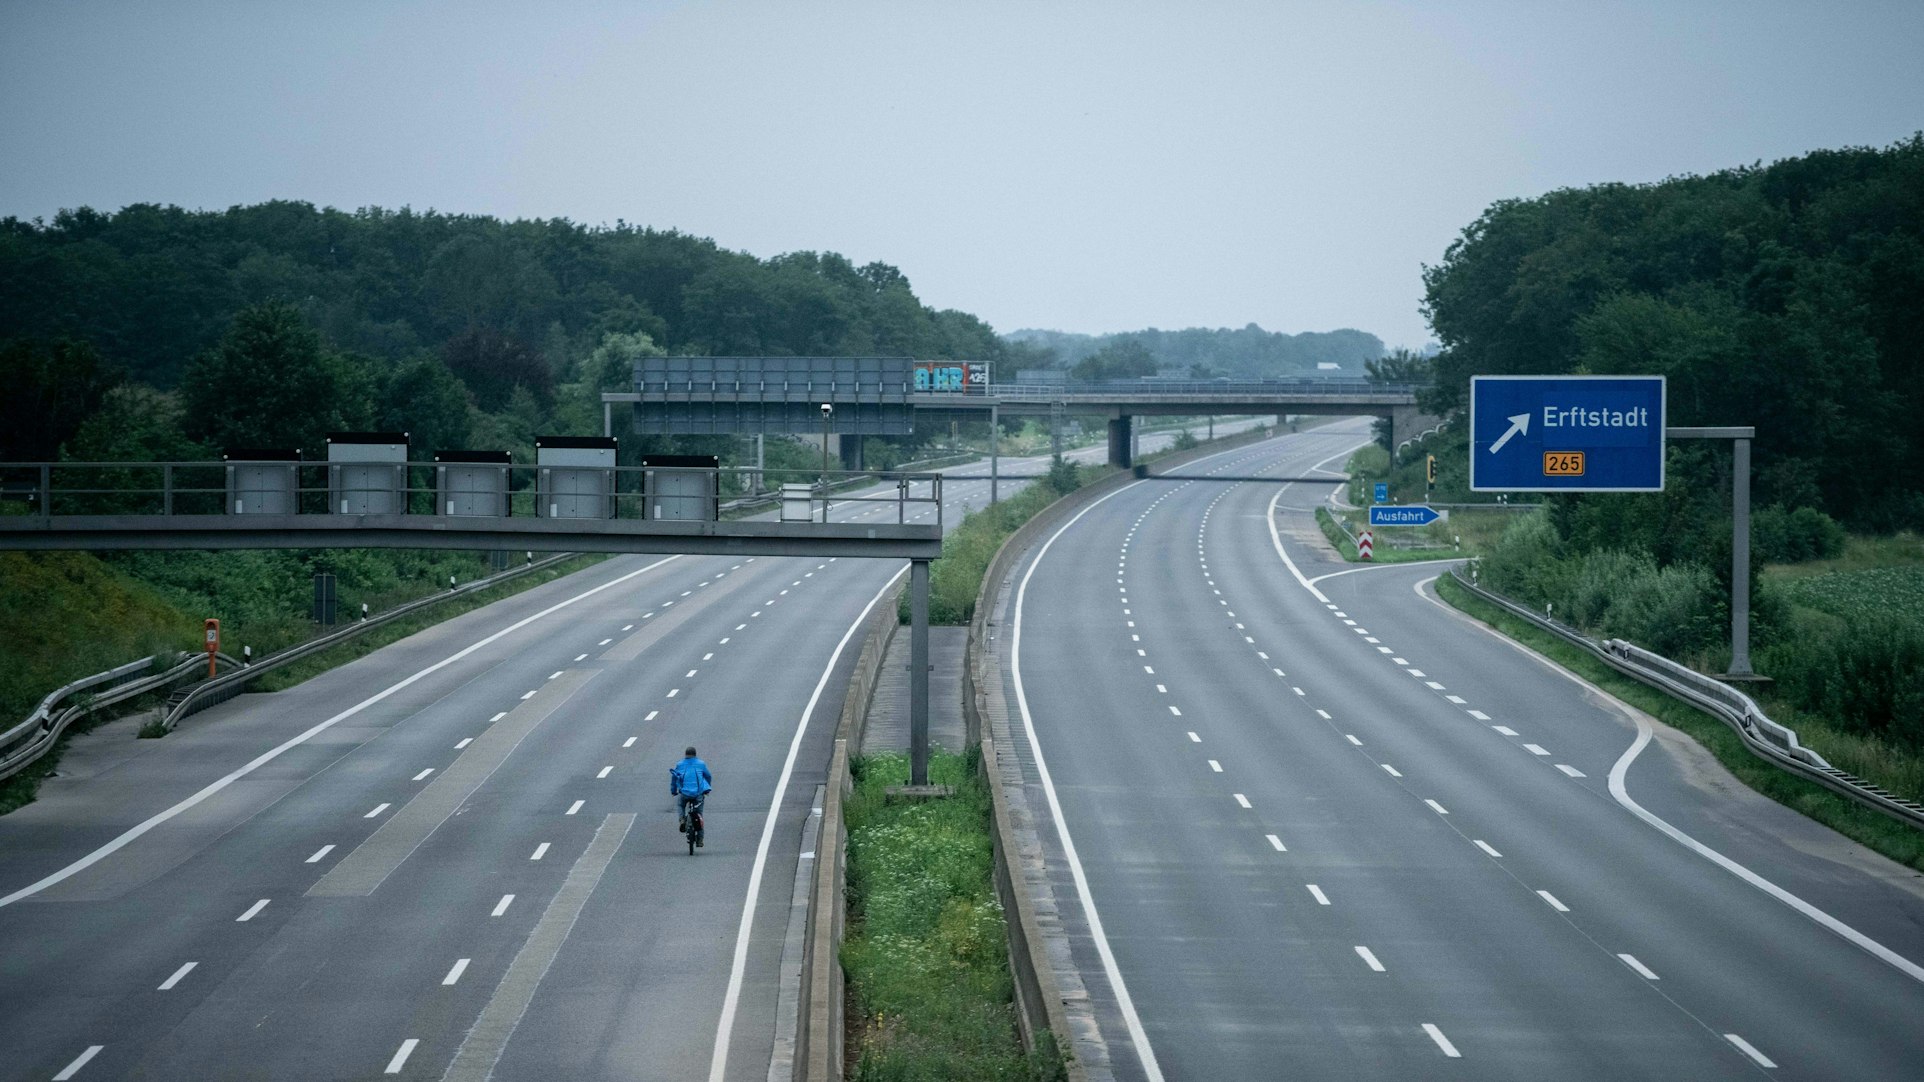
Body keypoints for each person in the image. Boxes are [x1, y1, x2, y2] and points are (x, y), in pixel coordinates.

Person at [669, 746, 713, 841]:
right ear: (695, 755)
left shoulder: (680, 764)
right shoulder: (701, 764)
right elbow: (708, 776)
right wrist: (707, 788)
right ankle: (700, 839)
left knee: (680, 805)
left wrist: (673, 791)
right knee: (699, 814)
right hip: (698, 794)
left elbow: (674, 778)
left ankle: (682, 819)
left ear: (685, 755)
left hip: (684, 793)